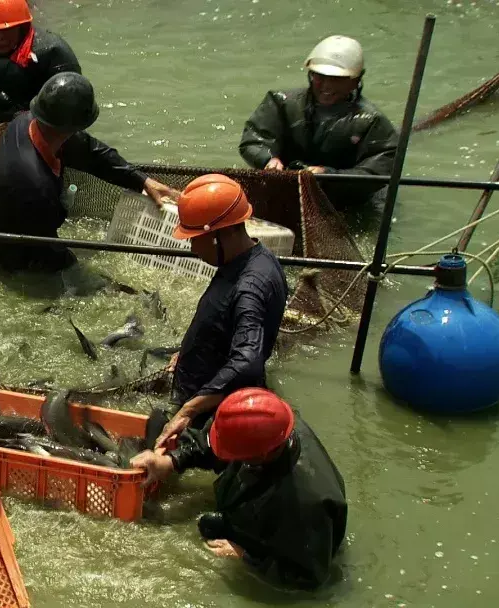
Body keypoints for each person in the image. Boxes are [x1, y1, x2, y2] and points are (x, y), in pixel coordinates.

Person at [0, 71, 179, 273]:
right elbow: (49, 252)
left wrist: (142, 180)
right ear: (76, 126)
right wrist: (93, 281)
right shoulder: (34, 185)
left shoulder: (29, 122)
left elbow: (92, 153)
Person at [131, 388, 347, 590]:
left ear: (258, 457)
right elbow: (211, 441)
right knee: (209, 524)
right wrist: (172, 461)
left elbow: (307, 578)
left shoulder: (304, 505)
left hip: (300, 541)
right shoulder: (274, 422)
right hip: (267, 494)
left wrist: (246, 557)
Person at [151, 174, 287, 472]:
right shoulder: (249, 260)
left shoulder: (251, 284)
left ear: (218, 235)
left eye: (195, 239)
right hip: (203, 393)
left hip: (212, 415)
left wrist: (190, 410)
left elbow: (248, 362)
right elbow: (228, 326)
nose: (192, 249)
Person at [238, 35, 398, 211]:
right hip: (284, 191)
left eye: (337, 79)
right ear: (310, 74)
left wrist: (328, 174)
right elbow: (254, 139)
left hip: (342, 204)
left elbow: (376, 172)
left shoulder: (373, 122)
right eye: (320, 77)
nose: (327, 86)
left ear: (356, 80)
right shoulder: (280, 103)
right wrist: (268, 159)